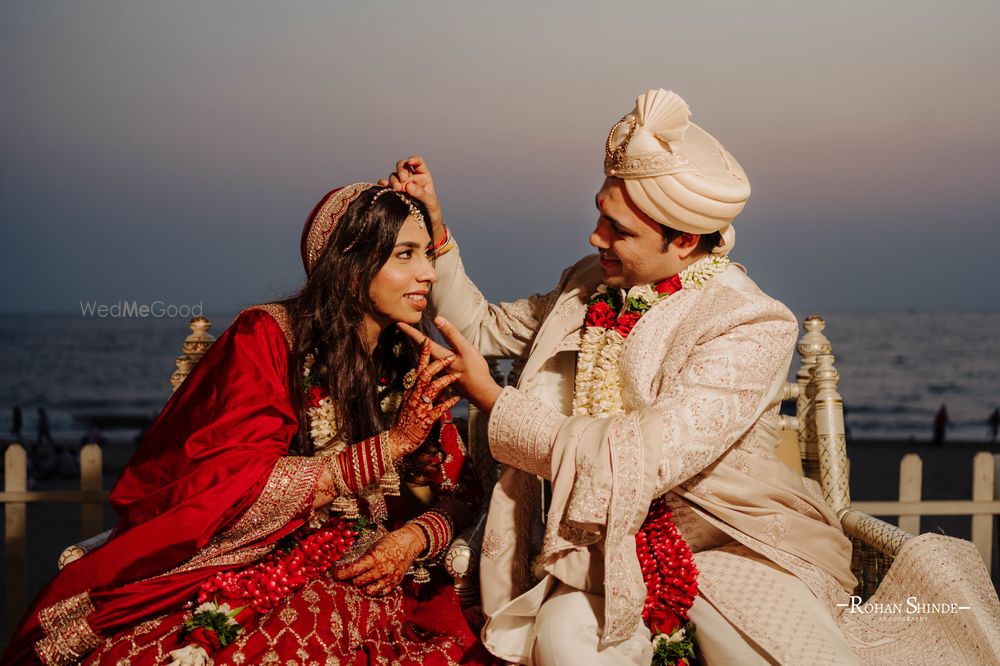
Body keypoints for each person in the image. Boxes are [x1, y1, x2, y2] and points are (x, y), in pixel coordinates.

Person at [384, 89, 1000, 664]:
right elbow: (485, 328)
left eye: (618, 230)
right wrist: (436, 231)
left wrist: (495, 400)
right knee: (563, 636)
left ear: (685, 242)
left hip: (729, 535)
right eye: (600, 213)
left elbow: (646, 458)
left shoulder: (750, 321)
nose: (594, 236)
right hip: (594, 537)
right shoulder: (589, 284)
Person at [2, 184, 492, 665]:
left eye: (428, 254)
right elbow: (229, 480)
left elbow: (464, 489)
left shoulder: (410, 357)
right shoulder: (269, 338)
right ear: (348, 263)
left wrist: (412, 539)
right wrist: (390, 446)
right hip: (259, 555)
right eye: (406, 254)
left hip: (379, 566)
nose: (428, 272)